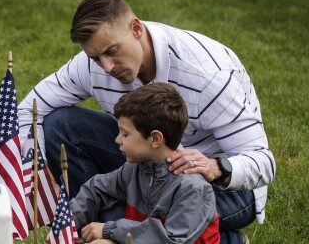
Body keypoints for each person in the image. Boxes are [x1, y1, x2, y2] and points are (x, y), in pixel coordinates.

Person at [17, 0, 275, 243]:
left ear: (136, 29)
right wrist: (20, 177)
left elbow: (264, 163)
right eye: (96, 58)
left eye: (112, 51)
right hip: (146, 168)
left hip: (218, 189)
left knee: (126, 220)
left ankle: (216, 237)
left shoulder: (208, 76)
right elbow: (28, 111)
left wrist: (214, 167)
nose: (107, 67)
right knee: (61, 125)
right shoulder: (92, 65)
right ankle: (100, 226)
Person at [71, 83, 219, 243]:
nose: (117, 140)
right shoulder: (134, 170)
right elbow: (97, 188)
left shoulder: (193, 188)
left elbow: (171, 240)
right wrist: (69, 221)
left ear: (155, 139)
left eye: (125, 134)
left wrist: (108, 230)